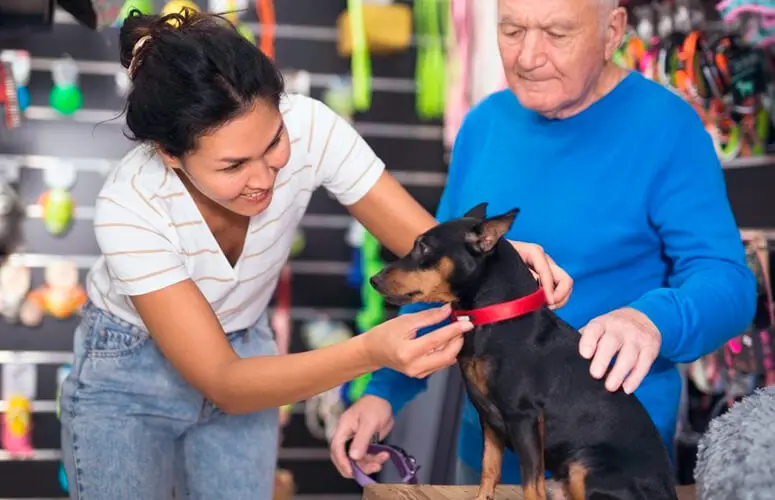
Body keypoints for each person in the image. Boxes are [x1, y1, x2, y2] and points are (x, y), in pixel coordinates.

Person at [58, 9, 573, 500]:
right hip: (128, 372)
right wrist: (372, 352)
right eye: (234, 165)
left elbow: (420, 240)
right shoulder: (130, 207)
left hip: (247, 342)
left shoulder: (311, 128)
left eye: (274, 142)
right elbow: (225, 383)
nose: (263, 178)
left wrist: (500, 255)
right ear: (170, 155)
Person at [330, 0, 758, 486]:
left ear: (612, 30)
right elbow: (442, 277)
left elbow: (728, 283)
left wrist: (651, 319)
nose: (528, 56)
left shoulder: (669, 129)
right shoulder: (483, 124)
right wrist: (383, 390)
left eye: (556, 34)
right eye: (511, 30)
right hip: (488, 456)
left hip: (607, 466)